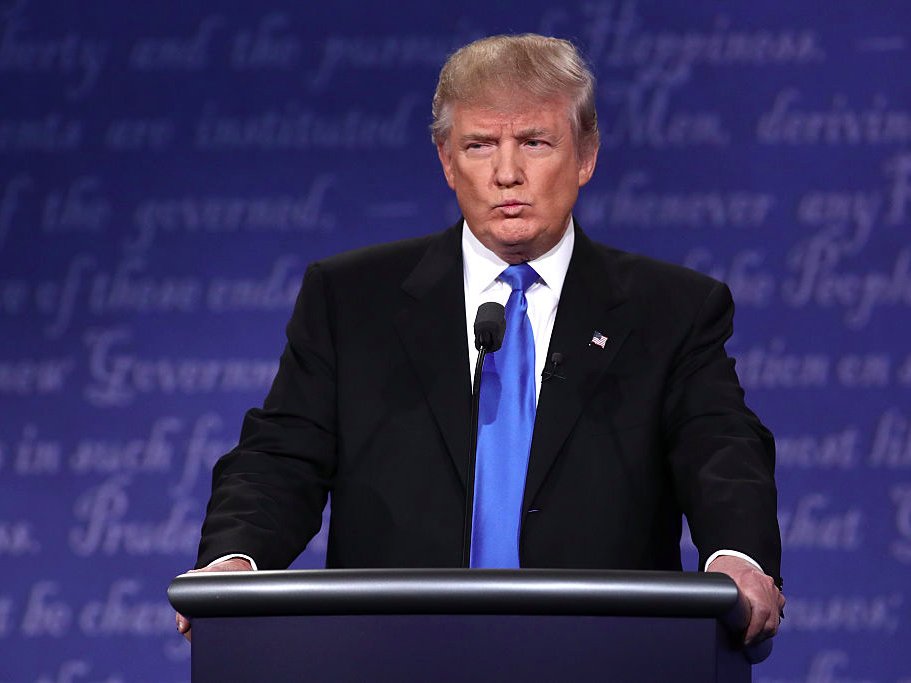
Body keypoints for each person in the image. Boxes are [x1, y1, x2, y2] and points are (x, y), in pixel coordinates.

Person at [178, 34, 784, 645]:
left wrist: (737, 556)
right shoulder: (350, 300)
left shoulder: (671, 310)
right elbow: (281, 456)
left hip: (600, 653)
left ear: (586, 155)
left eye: (535, 142)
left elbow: (721, 447)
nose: (507, 173)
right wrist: (235, 561)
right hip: (393, 655)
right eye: (479, 145)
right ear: (446, 160)